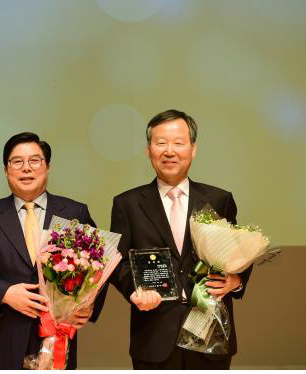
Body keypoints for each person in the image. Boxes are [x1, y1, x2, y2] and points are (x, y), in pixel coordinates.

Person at [110, 109, 252, 369]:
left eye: (178, 143)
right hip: (154, 336)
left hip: (211, 333)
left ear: (193, 149)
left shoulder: (219, 199)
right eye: (161, 143)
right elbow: (117, 263)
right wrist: (134, 291)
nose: (169, 151)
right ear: (148, 150)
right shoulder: (127, 204)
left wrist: (236, 281)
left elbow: (238, 254)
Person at [0, 132, 101, 369]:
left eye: (35, 161)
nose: (26, 169)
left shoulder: (74, 213)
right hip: (1, 341)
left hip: (57, 342)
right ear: (6, 170)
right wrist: (4, 293)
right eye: (17, 162)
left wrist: (88, 307)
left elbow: (98, 264)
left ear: (47, 167)